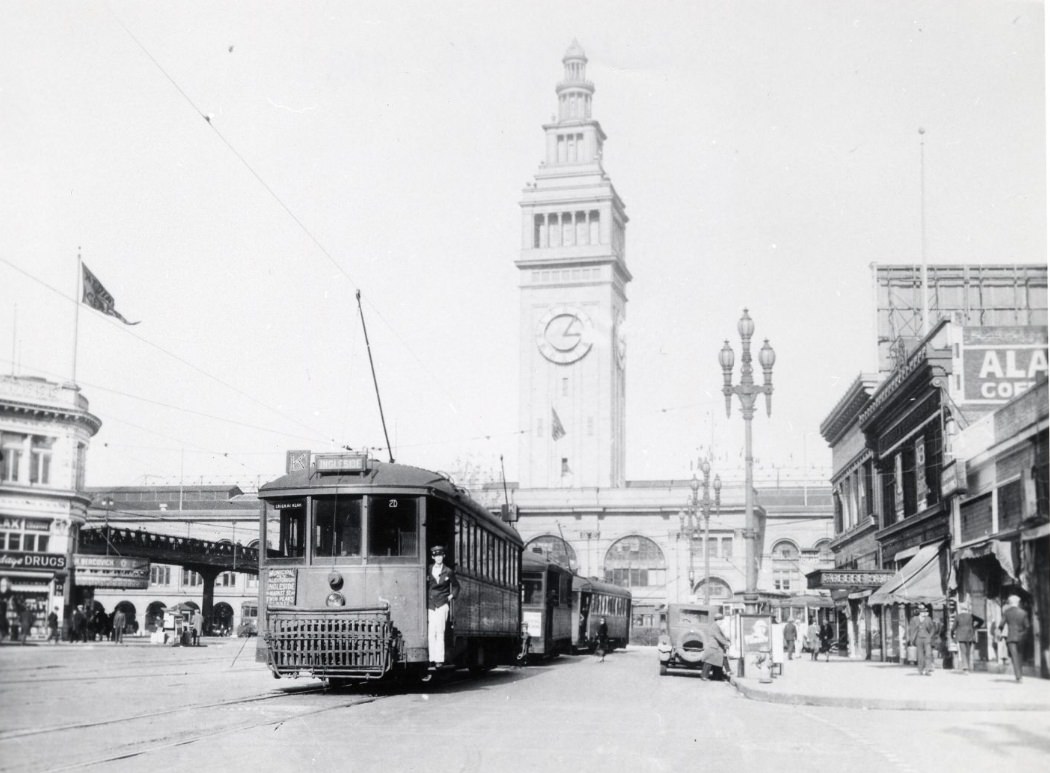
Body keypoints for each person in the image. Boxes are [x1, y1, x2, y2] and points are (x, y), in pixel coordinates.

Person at [425, 545, 459, 667]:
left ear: (443, 556)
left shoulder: (448, 571)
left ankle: (439, 659)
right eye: (436, 556)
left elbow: (456, 586)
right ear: (433, 557)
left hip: (442, 604)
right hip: (431, 604)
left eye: (440, 555)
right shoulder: (429, 569)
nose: (438, 558)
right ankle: (431, 658)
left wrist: (451, 597)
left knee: (440, 632)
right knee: (431, 632)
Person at [1000, 594, 1028, 682]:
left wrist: (998, 632)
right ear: (1018, 602)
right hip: (1021, 636)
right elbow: (1027, 626)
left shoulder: (1007, 612)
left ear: (1010, 602)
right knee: (1020, 656)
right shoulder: (1023, 613)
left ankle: (1018, 676)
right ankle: (1020, 675)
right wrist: (1023, 634)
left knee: (1014, 656)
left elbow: (1001, 625)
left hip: (1011, 637)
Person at [950, 602, 982, 674]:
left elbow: (953, 627)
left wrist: (952, 635)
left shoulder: (958, 616)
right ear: (967, 609)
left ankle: (965, 667)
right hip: (970, 635)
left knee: (963, 651)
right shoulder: (971, 616)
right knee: (968, 651)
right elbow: (981, 621)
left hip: (961, 635)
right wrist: (975, 627)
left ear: (961, 609)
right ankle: (968, 667)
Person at [699, 617, 731, 681]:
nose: (722, 622)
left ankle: (717, 676)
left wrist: (726, 640)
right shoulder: (715, 627)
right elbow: (718, 637)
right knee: (709, 662)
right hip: (714, 647)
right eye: (721, 620)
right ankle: (705, 676)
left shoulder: (715, 626)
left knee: (716, 661)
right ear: (718, 620)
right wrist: (726, 643)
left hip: (715, 646)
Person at [908, 606, 937, 675]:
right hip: (918, 638)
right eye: (923, 612)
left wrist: (930, 636)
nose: (924, 613)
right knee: (920, 655)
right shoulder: (914, 619)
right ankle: (920, 670)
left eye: (925, 612)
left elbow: (933, 628)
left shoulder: (928, 619)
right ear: (920, 613)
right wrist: (912, 638)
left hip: (927, 638)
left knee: (928, 654)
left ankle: (927, 669)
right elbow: (911, 629)